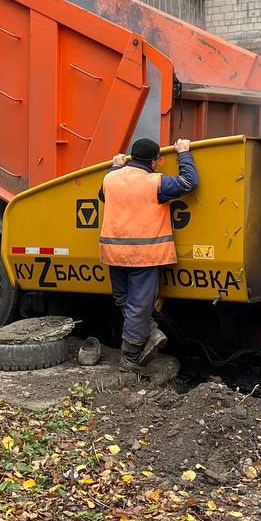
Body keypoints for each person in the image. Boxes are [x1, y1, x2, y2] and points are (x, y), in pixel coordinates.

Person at [98, 137, 198, 371]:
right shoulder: (155, 182)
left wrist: (115, 166)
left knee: (123, 300)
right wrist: (183, 153)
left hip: (113, 253)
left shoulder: (110, 178)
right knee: (139, 306)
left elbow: (103, 195)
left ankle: (151, 331)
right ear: (154, 161)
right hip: (143, 255)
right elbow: (189, 182)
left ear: (131, 157)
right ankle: (130, 358)